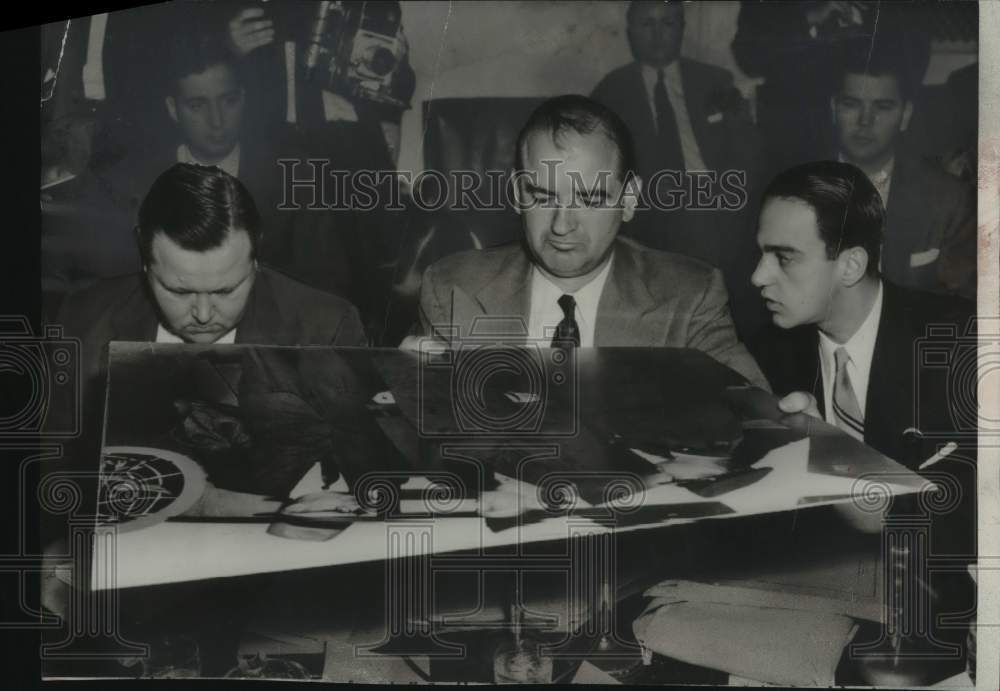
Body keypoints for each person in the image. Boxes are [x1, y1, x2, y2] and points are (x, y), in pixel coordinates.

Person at [748, 161, 975, 681]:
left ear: (849, 265)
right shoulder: (763, 355)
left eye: (784, 258)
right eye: (761, 254)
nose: (758, 277)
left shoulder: (956, 341)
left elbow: (974, 508)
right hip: (807, 602)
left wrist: (841, 473)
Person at [413, 94, 768, 391]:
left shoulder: (690, 296)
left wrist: (790, 420)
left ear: (628, 200)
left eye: (589, 199)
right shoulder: (453, 289)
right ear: (518, 193)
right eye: (542, 196)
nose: (561, 224)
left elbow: (753, 416)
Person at [591, 0, 767, 341]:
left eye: (668, 23)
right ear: (630, 31)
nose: (658, 35)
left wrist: (735, 194)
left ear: (682, 29)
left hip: (715, 198)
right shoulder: (611, 90)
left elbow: (749, 148)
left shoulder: (716, 81)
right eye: (647, 24)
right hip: (648, 203)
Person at [829, 38, 975, 299]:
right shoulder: (791, 191)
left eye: (882, 107)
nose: (865, 121)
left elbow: (959, 309)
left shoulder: (948, 201)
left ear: (905, 115)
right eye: (852, 104)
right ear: (833, 109)